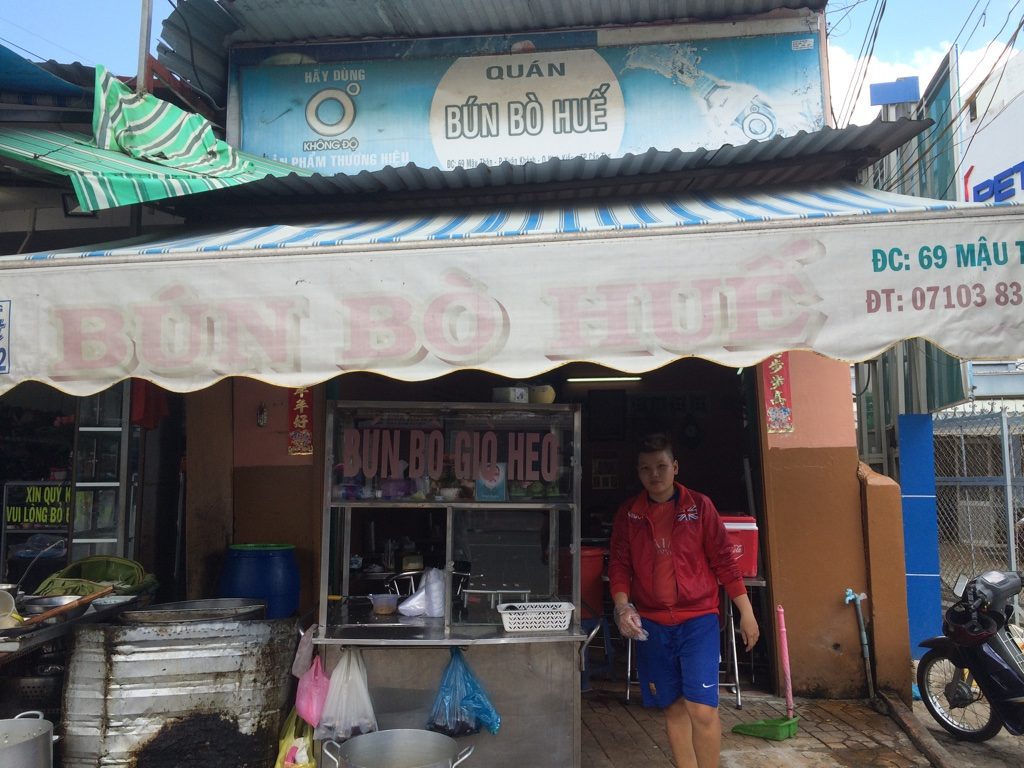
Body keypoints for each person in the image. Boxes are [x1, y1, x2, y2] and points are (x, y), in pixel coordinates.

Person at [608, 433, 759, 768]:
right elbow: (619, 565)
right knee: (674, 707)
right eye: (646, 468)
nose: (655, 474)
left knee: (702, 709)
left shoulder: (700, 507)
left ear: (675, 467)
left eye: (662, 466)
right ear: (638, 473)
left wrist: (745, 612)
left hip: (698, 621)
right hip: (652, 625)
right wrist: (622, 606)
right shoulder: (629, 514)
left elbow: (724, 561)